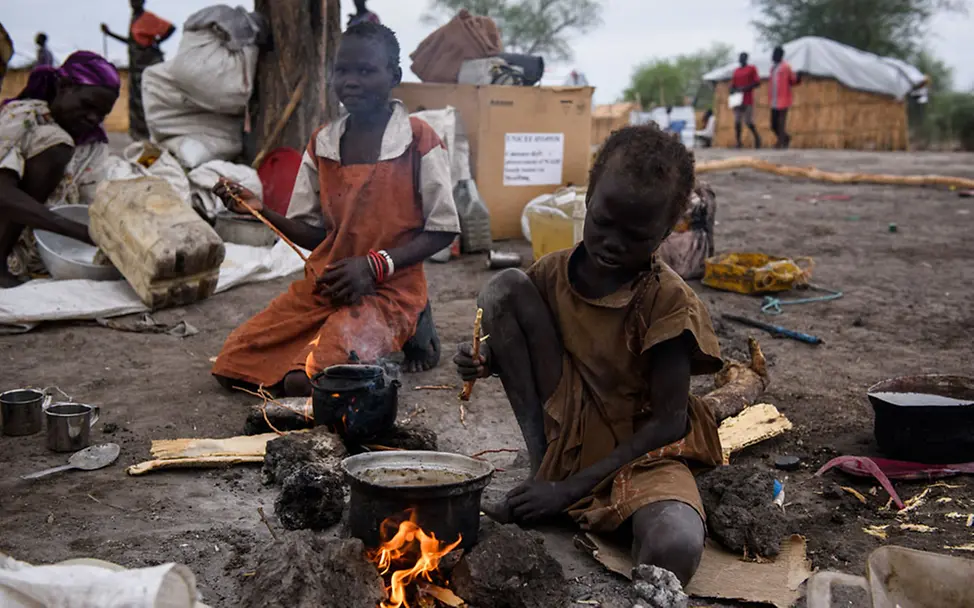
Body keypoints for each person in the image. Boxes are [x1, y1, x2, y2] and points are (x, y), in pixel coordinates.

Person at [454, 124, 724, 586]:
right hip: (565, 432)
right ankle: (544, 470)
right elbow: (517, 348)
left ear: (665, 231)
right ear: (588, 197)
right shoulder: (553, 273)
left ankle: (564, 495)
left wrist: (568, 491)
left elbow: (668, 423)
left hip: (640, 452)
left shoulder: (668, 302)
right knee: (504, 288)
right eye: (602, 221)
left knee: (674, 547)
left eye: (636, 235)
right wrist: (484, 359)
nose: (611, 242)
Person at [211, 22, 459, 396]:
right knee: (234, 364)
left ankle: (413, 318)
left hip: (391, 288)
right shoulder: (324, 142)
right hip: (330, 285)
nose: (352, 81)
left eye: (366, 71)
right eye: (343, 70)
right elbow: (317, 234)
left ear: (393, 76)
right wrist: (261, 210)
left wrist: (374, 266)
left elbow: (443, 228)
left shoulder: (417, 139)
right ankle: (343, 336)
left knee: (306, 380)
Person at [0, 51, 120, 287]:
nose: (93, 118)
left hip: (39, 247)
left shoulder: (93, 144)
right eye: (88, 105)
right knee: (57, 144)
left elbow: (90, 202)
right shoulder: (23, 116)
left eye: (102, 114)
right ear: (64, 87)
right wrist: (79, 231)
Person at [101, 0, 175, 141]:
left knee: (147, 101)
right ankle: (139, 137)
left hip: (147, 66)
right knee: (136, 102)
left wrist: (156, 42)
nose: (134, 3)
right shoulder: (134, 19)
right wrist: (109, 34)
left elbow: (171, 28)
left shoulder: (147, 18)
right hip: (136, 66)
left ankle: (152, 135)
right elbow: (131, 42)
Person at [769, 46, 801, 149]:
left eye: (774, 54)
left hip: (783, 98)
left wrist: (798, 78)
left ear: (780, 55)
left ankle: (780, 142)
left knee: (781, 121)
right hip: (774, 99)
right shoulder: (772, 68)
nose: (772, 56)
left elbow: (792, 81)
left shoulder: (786, 67)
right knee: (773, 124)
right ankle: (785, 138)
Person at [730, 52, 761, 149]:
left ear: (746, 58)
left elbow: (757, 82)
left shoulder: (751, 69)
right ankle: (738, 142)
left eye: (742, 57)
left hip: (747, 99)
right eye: (740, 57)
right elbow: (733, 84)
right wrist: (733, 89)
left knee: (748, 121)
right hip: (737, 100)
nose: (741, 59)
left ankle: (757, 138)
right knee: (737, 121)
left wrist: (745, 88)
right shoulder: (736, 71)